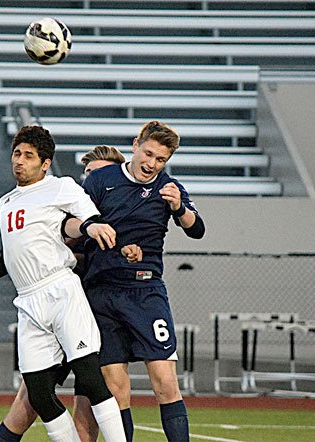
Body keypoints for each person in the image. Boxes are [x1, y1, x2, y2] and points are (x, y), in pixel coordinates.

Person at [0, 127, 127, 442]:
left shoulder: (59, 187)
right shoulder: (5, 202)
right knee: (38, 393)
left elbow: (85, 215)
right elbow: (12, 256)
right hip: (29, 301)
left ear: (45, 163)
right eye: (17, 154)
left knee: (90, 379)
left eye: (28, 156)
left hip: (61, 291)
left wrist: (92, 226)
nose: (19, 161)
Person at [77, 120, 206, 441]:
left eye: (160, 159)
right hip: (102, 294)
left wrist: (178, 207)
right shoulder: (101, 180)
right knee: (115, 388)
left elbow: (196, 228)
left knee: (165, 382)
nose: (151, 164)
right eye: (148, 153)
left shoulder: (169, 187)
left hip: (145, 293)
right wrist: (107, 239)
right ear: (136, 145)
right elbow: (73, 224)